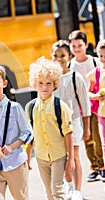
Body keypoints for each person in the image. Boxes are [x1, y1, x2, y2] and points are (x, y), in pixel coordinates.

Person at [0, 64, 34, 200]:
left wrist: (11, 147)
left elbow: (28, 132)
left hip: (15, 163)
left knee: (21, 197)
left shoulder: (15, 108)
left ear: (4, 83)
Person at [25, 57, 75, 200]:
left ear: (55, 84)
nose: (44, 87)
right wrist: (28, 158)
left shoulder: (61, 106)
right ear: (35, 84)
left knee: (57, 190)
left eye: (48, 83)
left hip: (58, 156)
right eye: (40, 83)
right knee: (48, 192)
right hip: (41, 157)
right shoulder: (30, 107)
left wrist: (71, 159)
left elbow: (69, 133)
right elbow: (30, 136)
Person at [52, 40, 91, 199]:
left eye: (62, 55)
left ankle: (77, 190)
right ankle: (68, 186)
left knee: (74, 156)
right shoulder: (51, 79)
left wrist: (87, 128)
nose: (59, 58)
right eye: (55, 55)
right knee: (61, 158)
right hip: (56, 124)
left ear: (69, 57)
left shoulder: (75, 77)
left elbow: (85, 104)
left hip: (74, 122)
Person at [69, 30, 104, 182]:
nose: (77, 49)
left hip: (95, 104)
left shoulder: (95, 61)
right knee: (86, 137)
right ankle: (94, 166)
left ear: (86, 45)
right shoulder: (71, 65)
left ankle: (101, 165)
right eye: (74, 46)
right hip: (78, 105)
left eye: (80, 45)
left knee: (97, 135)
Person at [87, 39, 105, 182]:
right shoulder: (96, 72)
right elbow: (87, 92)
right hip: (102, 113)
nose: (103, 59)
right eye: (101, 56)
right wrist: (96, 96)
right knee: (103, 142)